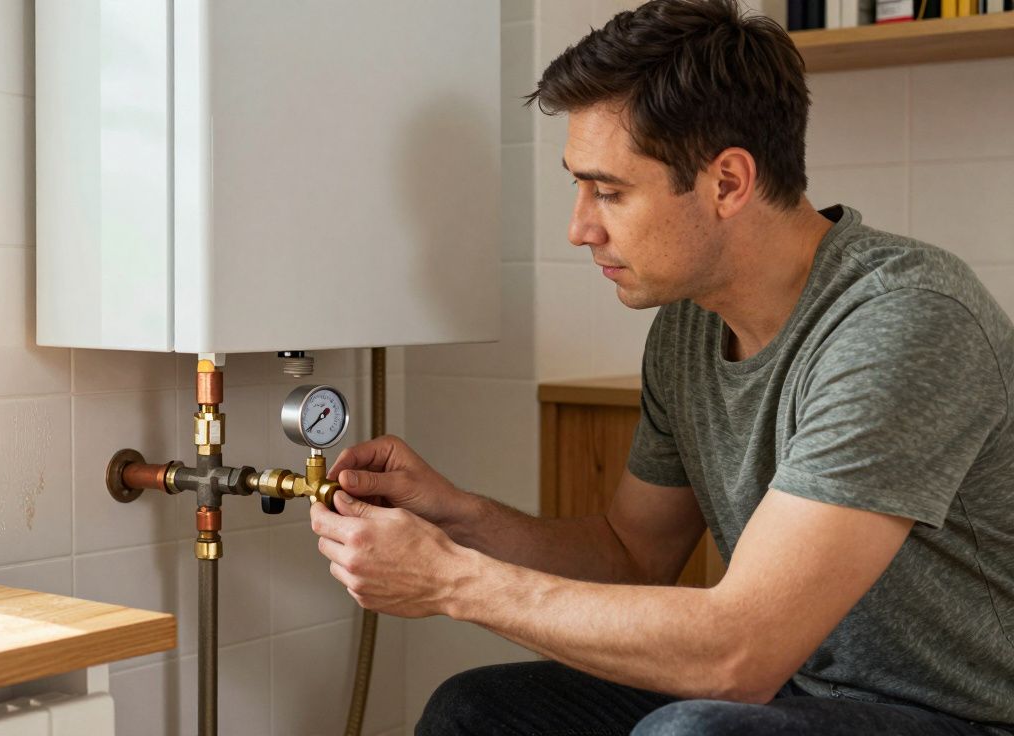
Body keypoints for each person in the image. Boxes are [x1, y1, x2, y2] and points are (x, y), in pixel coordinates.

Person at [308, 0, 1014, 733]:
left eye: (609, 191)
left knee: (690, 733)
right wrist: (459, 518)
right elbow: (630, 554)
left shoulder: (904, 319)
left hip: (962, 716)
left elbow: (740, 653)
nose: (580, 227)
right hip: (801, 698)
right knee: (476, 710)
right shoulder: (689, 326)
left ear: (728, 183)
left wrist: (451, 581)